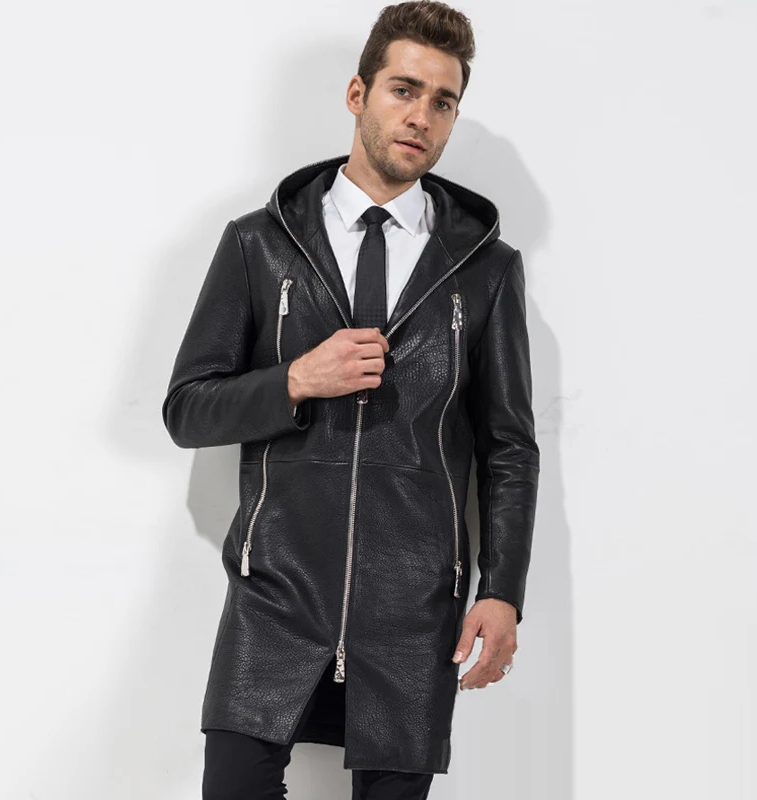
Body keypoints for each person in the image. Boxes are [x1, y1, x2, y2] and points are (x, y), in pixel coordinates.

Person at [161, 2, 540, 797]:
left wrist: (502, 589)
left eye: (443, 101)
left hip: (414, 609)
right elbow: (187, 409)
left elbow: (508, 447)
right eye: (404, 89)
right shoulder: (259, 243)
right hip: (275, 594)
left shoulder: (484, 268)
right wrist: (296, 379)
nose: (421, 116)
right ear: (357, 94)